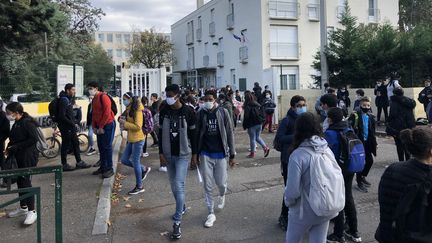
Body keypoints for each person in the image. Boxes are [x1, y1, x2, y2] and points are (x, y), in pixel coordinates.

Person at [284, 112, 338, 243]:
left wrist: (289, 204)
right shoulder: (325, 149)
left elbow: (292, 191)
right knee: (319, 240)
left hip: (303, 211)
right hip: (324, 207)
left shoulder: (297, 155)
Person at [376, 127, 432, 243]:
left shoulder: (392, 169)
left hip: (389, 234)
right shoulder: (426, 177)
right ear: (430, 150)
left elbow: (385, 203)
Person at [158, 84, 197, 240]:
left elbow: (193, 135)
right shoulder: (164, 111)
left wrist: (195, 154)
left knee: (179, 185)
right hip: (168, 155)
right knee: (174, 185)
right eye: (166, 95)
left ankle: (177, 222)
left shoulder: (189, 112)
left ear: (178, 96)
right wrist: (160, 153)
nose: (168, 98)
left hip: (182, 155)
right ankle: (182, 207)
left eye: (170, 95)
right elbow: (160, 133)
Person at [195, 90, 235, 228]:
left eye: (210, 99)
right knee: (207, 184)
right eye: (205, 99)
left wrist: (233, 154)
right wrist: (195, 154)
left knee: (221, 183)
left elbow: (229, 132)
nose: (207, 101)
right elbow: (196, 134)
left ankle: (222, 194)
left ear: (215, 100)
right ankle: (210, 212)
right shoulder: (200, 113)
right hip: (205, 153)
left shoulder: (223, 112)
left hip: (221, 154)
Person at [325, 108, 362, 243]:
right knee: (348, 198)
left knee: (339, 199)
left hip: (337, 169)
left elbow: (327, 153)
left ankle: (338, 234)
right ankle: (354, 231)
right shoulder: (348, 128)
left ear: (330, 119)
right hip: (350, 167)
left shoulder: (330, 133)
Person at [275, 95, 306, 231]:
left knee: (302, 188)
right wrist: (296, 137)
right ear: (293, 106)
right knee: (289, 188)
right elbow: (280, 138)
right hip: (288, 159)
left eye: (304, 105)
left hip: (303, 158)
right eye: (300, 105)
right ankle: (284, 216)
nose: (302, 108)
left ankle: (298, 215)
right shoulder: (286, 121)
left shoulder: (304, 119)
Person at [5, 102, 39, 225]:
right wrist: (9, 147)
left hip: (28, 157)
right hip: (18, 156)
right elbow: (14, 139)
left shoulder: (27, 123)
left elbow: (33, 139)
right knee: (20, 181)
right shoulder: (17, 123)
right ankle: (23, 207)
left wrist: (16, 146)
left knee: (25, 182)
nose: (8, 115)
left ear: (17, 113)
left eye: (9, 113)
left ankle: (32, 211)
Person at [119, 92, 150, 195]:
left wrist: (125, 123)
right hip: (131, 138)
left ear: (130, 99)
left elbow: (138, 126)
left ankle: (139, 186)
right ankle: (144, 169)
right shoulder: (129, 108)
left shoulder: (137, 110)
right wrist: (122, 119)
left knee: (135, 162)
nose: (124, 101)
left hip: (138, 138)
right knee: (124, 159)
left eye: (125, 99)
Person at [57, 84, 91, 171]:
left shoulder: (67, 99)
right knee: (65, 144)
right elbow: (62, 115)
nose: (74, 91)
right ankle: (64, 164)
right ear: (67, 90)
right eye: (72, 90)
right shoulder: (64, 100)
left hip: (69, 126)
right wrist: (72, 123)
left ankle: (79, 162)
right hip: (66, 127)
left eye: (74, 90)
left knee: (75, 143)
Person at [349, 97, 377, 193]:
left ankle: (363, 176)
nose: (366, 107)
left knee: (370, 161)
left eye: (368, 105)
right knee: (360, 162)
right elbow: (350, 129)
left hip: (368, 142)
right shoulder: (355, 116)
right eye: (364, 105)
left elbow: (373, 132)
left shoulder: (370, 117)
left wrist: (375, 143)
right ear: (360, 105)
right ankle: (359, 181)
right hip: (358, 143)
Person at [88, 82, 116, 178]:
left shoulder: (103, 97)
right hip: (99, 126)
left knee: (107, 147)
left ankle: (109, 168)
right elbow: (94, 114)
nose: (90, 90)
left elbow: (107, 113)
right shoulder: (94, 99)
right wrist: (94, 126)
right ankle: (103, 167)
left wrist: (101, 126)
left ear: (96, 88)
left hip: (107, 124)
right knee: (101, 147)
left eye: (91, 88)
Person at [386, 88, 416, 162]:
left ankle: (401, 161)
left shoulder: (394, 102)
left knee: (399, 145)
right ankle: (408, 160)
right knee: (407, 144)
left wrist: (388, 121)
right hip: (409, 126)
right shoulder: (409, 101)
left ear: (394, 93)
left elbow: (393, 114)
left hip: (398, 127)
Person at [242, 91, 270, 158]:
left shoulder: (248, 106)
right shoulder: (257, 104)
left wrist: (244, 125)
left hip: (251, 125)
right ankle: (265, 147)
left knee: (252, 139)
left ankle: (252, 153)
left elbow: (246, 117)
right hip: (259, 123)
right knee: (257, 137)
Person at [0, 100, 10, 187]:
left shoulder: (4, 117)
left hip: (0, 143)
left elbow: (7, 132)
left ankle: (6, 180)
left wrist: (1, 139)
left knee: (2, 161)